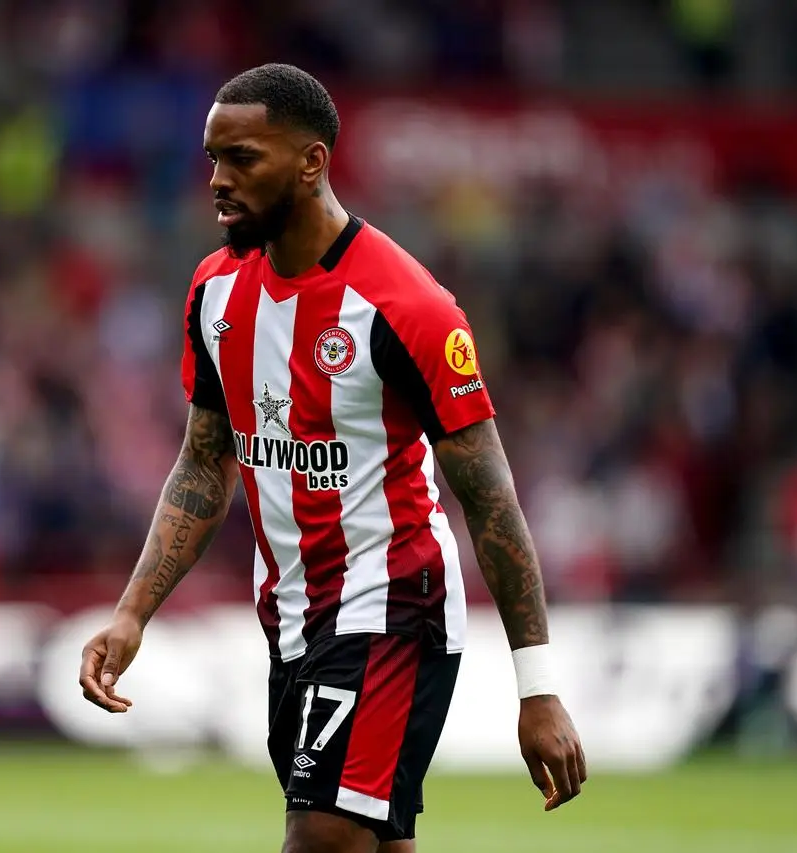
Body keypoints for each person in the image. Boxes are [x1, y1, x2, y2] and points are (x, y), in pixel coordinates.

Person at [79, 63, 586, 852]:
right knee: (372, 843)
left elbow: (490, 500)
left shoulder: (407, 306)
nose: (217, 181)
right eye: (212, 158)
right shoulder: (214, 293)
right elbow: (202, 464)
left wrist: (538, 687)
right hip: (291, 623)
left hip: (392, 606)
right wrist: (132, 611)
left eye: (242, 159)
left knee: (318, 837)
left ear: (311, 163)